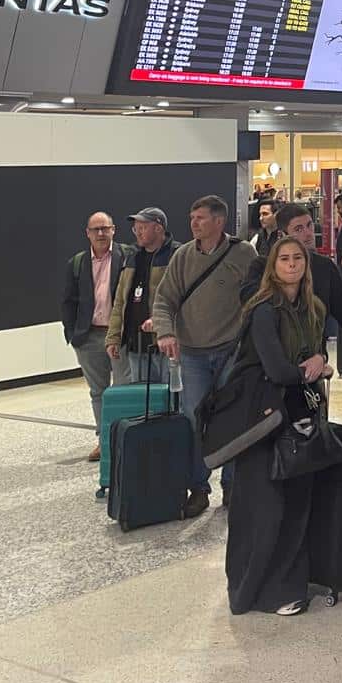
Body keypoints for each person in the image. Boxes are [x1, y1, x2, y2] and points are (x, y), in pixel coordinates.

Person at [227, 237, 330, 616]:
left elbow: (313, 356)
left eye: (297, 258)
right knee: (264, 508)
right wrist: (314, 368)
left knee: (296, 505)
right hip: (261, 421)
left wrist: (317, 362)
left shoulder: (312, 308)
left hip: (298, 420)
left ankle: (287, 585)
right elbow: (277, 368)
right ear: (273, 265)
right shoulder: (263, 310)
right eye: (283, 259)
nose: (291, 264)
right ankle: (255, 590)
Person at [152, 195, 257, 517]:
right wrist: (165, 331)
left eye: (200, 218)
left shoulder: (243, 254)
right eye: (192, 217)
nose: (193, 223)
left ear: (219, 222)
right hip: (193, 355)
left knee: (232, 419)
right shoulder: (183, 257)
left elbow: (257, 297)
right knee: (195, 422)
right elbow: (164, 300)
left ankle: (233, 484)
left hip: (230, 352)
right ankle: (198, 487)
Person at [240, 203, 342, 358]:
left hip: (312, 362)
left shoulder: (324, 268)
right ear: (282, 235)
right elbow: (248, 302)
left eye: (309, 226)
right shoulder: (261, 267)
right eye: (299, 229)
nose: (308, 234)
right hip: (268, 361)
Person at [61, 211, 133, 456]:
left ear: (114, 230)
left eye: (105, 228)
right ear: (87, 234)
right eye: (96, 229)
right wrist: (72, 334)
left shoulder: (129, 256)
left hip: (121, 335)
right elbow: (68, 301)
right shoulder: (78, 262)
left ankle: (123, 440)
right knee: (98, 391)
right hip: (89, 336)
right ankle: (104, 441)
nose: (101, 233)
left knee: (122, 389)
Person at [106, 207, 177, 384]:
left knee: (172, 401)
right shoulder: (131, 257)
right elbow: (120, 302)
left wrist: (162, 324)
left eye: (143, 228)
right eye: (135, 228)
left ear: (159, 228)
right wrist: (113, 336)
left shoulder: (177, 255)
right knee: (144, 403)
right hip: (136, 344)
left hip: (165, 344)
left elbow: (183, 299)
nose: (137, 232)